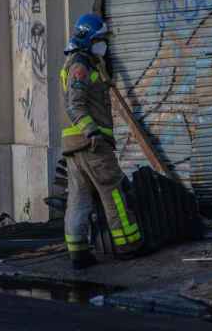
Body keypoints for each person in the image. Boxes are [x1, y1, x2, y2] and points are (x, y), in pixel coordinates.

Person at [59, 13, 143, 269]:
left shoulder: (86, 62)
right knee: (114, 193)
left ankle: (79, 254)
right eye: (99, 39)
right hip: (92, 145)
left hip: (77, 147)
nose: (103, 43)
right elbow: (75, 106)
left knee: (79, 200)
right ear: (86, 39)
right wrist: (93, 132)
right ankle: (128, 246)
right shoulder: (80, 65)